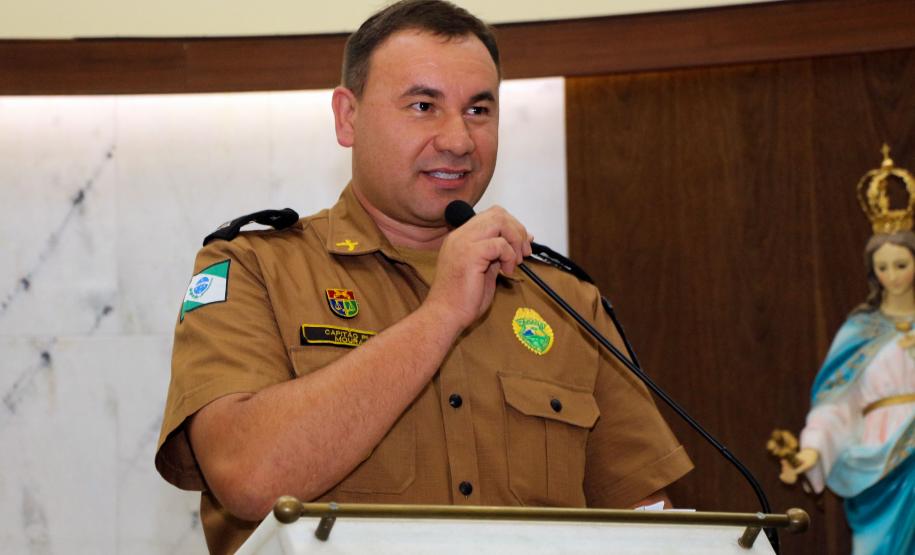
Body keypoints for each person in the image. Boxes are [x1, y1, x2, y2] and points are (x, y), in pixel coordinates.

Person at [155, 1, 693, 553]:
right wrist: (440, 316)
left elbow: (645, 518)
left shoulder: (565, 300)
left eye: (479, 110)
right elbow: (248, 477)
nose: (459, 139)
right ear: (349, 117)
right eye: (422, 105)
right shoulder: (255, 270)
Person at [781, 231, 915, 555]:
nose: (893, 276)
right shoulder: (859, 330)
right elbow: (835, 404)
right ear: (872, 272)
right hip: (878, 459)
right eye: (883, 267)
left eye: (901, 264)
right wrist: (812, 449)